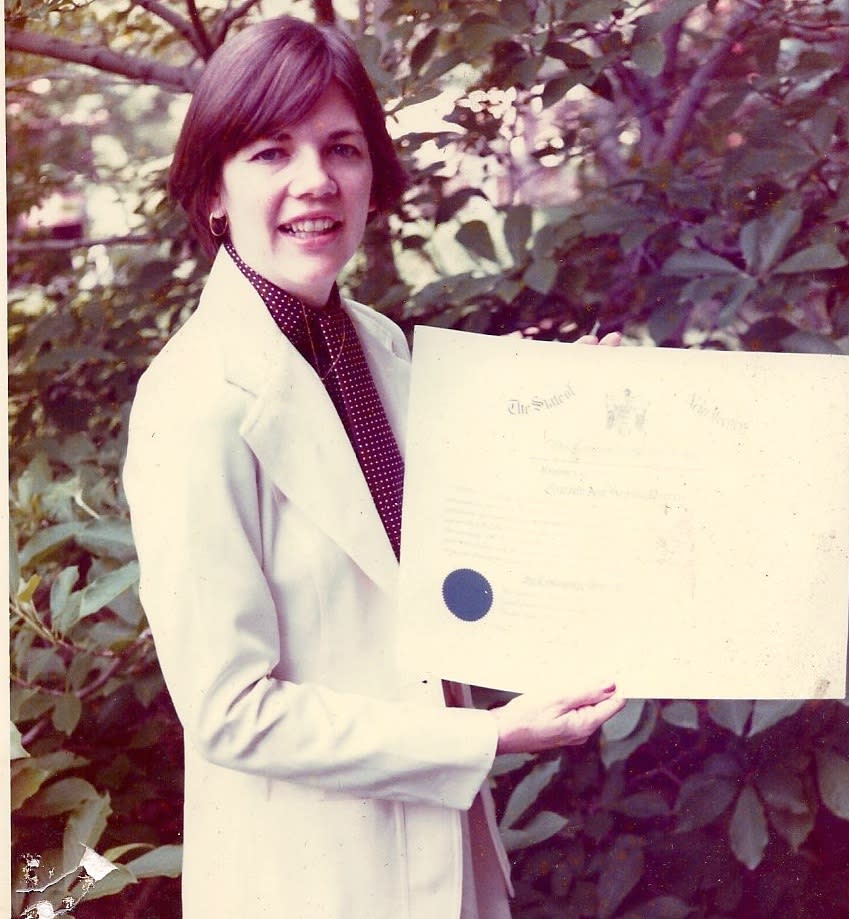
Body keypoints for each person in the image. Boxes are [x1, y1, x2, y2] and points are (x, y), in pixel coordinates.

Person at [123, 16, 624, 919]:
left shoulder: (380, 349)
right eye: (271, 152)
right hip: (310, 880)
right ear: (212, 193)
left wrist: (602, 451)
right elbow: (232, 710)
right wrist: (485, 736)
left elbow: (443, 591)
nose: (316, 182)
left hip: (446, 867)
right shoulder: (192, 399)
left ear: (371, 176)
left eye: (341, 148)